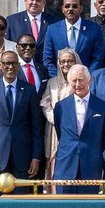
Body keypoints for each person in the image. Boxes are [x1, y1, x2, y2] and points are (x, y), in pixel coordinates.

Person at [0, 50, 44, 208]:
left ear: (18, 66)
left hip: (23, 156)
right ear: (0, 66)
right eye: (6, 63)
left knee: (21, 204)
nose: (10, 67)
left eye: (14, 63)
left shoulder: (29, 90)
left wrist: (36, 157)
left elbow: (36, 127)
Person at [51, 65, 105, 190]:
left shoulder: (102, 106)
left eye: (81, 80)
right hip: (66, 165)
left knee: (88, 207)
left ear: (89, 80)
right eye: (74, 81)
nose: (78, 84)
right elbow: (60, 132)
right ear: (69, 82)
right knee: (64, 206)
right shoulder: (60, 106)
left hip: (91, 166)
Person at [40, 48, 82, 182]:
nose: (66, 64)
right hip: (54, 129)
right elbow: (45, 103)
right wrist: (55, 117)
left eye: (70, 61)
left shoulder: (81, 83)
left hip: (75, 129)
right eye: (62, 61)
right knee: (53, 167)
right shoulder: (52, 82)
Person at [42, 0, 105, 76]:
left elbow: (98, 57)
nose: (70, 9)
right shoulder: (52, 29)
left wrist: (86, 76)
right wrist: (58, 77)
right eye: (67, 6)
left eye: (74, 6)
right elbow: (47, 59)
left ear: (81, 9)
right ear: (62, 9)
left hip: (85, 81)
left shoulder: (94, 29)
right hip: (60, 83)